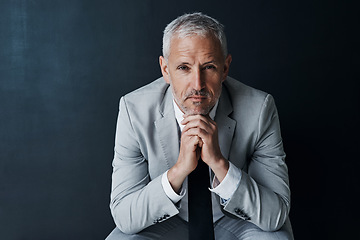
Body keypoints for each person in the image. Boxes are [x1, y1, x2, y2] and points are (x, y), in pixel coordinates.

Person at [106, 12, 294, 240]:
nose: (197, 84)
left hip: (235, 222)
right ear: (165, 69)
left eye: (209, 67)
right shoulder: (133, 110)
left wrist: (220, 165)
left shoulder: (259, 109)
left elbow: (275, 215)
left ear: (225, 68)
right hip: (165, 223)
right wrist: (178, 171)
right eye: (184, 68)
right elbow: (125, 217)